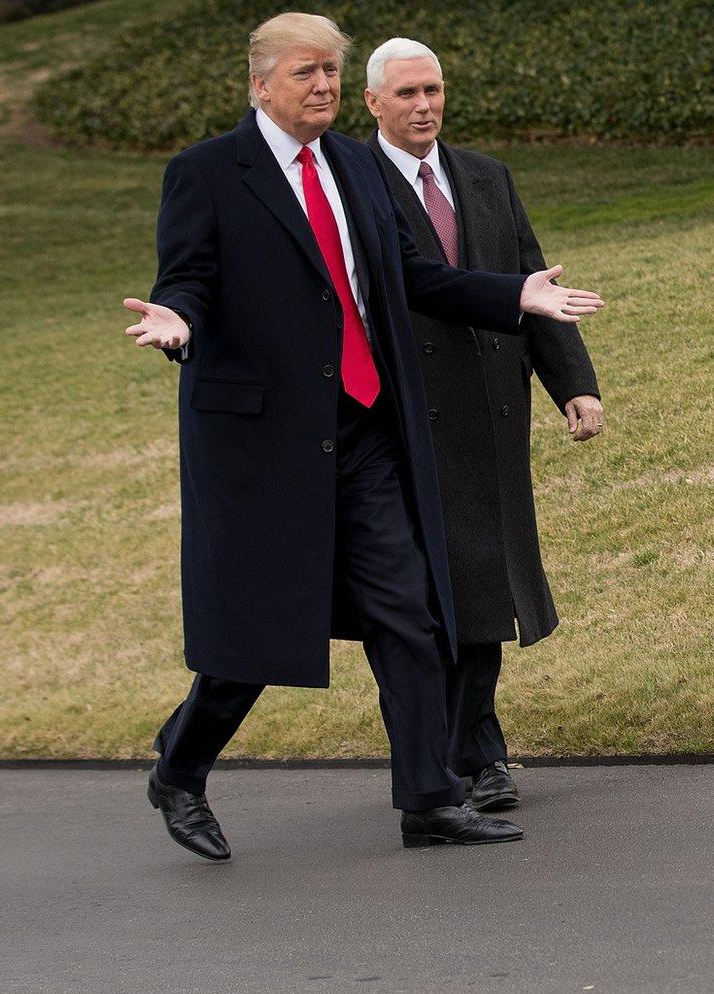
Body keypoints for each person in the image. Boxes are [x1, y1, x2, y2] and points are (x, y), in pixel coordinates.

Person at [119, 12, 604, 859]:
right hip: (267, 447)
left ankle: (429, 802)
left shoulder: (352, 165)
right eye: (306, 73)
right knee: (254, 641)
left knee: (409, 615)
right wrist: (179, 325)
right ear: (259, 83)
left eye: (332, 73)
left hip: (366, 431)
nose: (323, 87)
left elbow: (410, 275)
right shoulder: (207, 173)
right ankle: (181, 769)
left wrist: (510, 298)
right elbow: (187, 279)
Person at [363, 37, 603, 813]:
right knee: (429, 601)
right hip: (403, 424)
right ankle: (449, 759)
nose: (423, 105)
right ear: (373, 103)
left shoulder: (487, 178)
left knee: (486, 591)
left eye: (432, 89)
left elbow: (534, 282)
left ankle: (475, 755)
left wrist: (574, 383)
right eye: (405, 94)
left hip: (491, 416)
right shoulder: (352, 185)